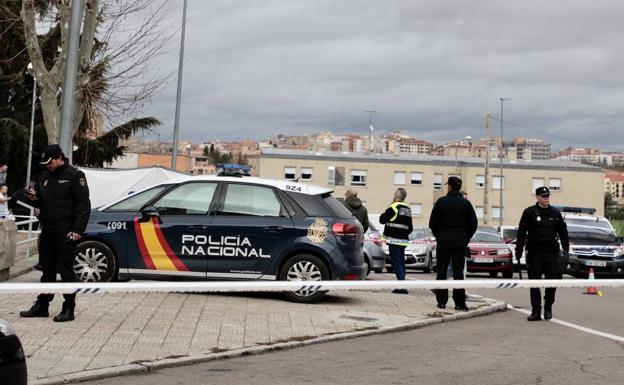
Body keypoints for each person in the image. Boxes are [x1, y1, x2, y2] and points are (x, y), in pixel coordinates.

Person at [20, 144, 91, 322]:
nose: (48, 165)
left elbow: (83, 205)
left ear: (59, 157)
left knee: (66, 271)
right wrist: (34, 199)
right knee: (47, 270)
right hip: (48, 229)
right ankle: (43, 305)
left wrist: (77, 230)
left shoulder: (75, 176)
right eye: (45, 163)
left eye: (50, 161)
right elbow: (42, 203)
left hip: (66, 231)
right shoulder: (45, 176)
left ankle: (69, 308)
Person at [515, 186, 568, 321]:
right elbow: (521, 233)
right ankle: (536, 311)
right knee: (534, 283)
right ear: (537, 197)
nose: (546, 198)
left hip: (551, 253)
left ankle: (548, 307)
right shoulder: (529, 212)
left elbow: (563, 232)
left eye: (548, 196)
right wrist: (518, 251)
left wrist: (566, 249)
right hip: (535, 253)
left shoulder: (555, 213)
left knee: (553, 282)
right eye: (544, 196)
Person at [429, 177, 478, 311]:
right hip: (459, 243)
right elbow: (473, 223)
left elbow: (432, 223)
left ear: (449, 187)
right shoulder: (465, 204)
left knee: (441, 272)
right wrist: (465, 237)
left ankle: (441, 301)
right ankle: (459, 303)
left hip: (444, 242)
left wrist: (439, 236)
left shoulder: (441, 202)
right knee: (458, 273)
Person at [379, 187, 412, 294]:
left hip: (394, 240)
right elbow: (410, 228)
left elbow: (382, 219)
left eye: (394, 194)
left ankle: (402, 287)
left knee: (396, 263)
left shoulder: (393, 207)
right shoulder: (408, 209)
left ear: (397, 196)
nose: (393, 195)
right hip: (403, 241)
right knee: (401, 263)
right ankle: (401, 285)